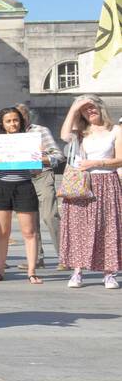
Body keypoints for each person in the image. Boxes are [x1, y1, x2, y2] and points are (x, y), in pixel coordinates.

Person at [58, 94, 122, 289]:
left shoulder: (116, 130)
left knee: (108, 226)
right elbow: (63, 135)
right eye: (85, 109)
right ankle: (77, 271)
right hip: (82, 182)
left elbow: (120, 159)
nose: (90, 111)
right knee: (79, 226)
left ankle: (109, 272)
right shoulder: (80, 133)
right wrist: (74, 107)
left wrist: (96, 162)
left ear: (101, 108)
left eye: (92, 107)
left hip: (107, 181)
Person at [0, 107, 49, 284]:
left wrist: (39, 156)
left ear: (20, 122)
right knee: (2, 232)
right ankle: (0, 270)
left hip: (24, 186)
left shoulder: (30, 140)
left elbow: (36, 170)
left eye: (15, 120)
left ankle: (32, 271)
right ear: (2, 124)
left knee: (29, 232)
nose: (13, 124)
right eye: (8, 121)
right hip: (2, 186)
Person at [16, 103, 64, 269]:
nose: (17, 122)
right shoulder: (9, 135)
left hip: (42, 175)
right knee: (30, 221)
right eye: (15, 119)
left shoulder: (40, 131)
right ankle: (36, 258)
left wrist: (37, 157)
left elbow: (58, 156)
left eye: (21, 118)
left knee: (50, 216)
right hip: (21, 179)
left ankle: (65, 257)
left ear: (28, 117)